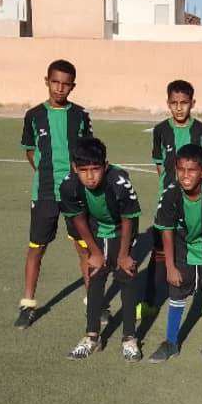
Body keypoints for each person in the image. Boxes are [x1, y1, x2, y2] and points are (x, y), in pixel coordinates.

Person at [14, 59, 93, 329]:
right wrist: (45, 171)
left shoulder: (80, 115)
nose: (60, 88)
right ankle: (27, 304)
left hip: (75, 192)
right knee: (37, 248)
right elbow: (29, 150)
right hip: (45, 192)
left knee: (84, 247)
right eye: (55, 82)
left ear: (73, 86)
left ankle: (93, 303)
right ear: (46, 81)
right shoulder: (34, 115)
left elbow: (88, 152)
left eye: (66, 84)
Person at [148, 144, 202, 367]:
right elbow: (166, 231)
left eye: (192, 170)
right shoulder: (170, 193)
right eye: (181, 170)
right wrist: (170, 266)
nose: (185, 175)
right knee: (177, 290)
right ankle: (171, 342)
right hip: (182, 245)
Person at [60, 138, 142, 361]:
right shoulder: (69, 185)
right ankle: (92, 337)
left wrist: (124, 255)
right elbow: (78, 218)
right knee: (95, 276)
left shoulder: (119, 182)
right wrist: (94, 252)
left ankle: (129, 338)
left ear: (105, 166)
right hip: (95, 227)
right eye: (83, 170)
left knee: (126, 277)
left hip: (122, 229)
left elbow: (128, 218)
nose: (90, 176)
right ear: (75, 168)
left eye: (95, 169)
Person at [144, 80, 202, 316]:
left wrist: (194, 190)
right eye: (174, 103)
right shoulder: (160, 130)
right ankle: (149, 300)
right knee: (159, 253)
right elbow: (160, 165)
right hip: (168, 201)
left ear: (192, 103)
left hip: (195, 202)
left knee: (200, 251)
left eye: (184, 103)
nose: (179, 108)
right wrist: (170, 189)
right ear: (168, 103)